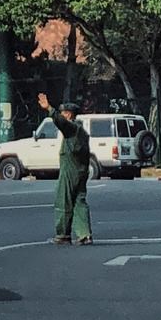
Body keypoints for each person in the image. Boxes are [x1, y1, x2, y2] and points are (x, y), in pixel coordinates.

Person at [37, 93, 93, 246]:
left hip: (70, 170)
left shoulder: (71, 128)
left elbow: (60, 122)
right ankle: (84, 234)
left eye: (63, 113)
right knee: (79, 201)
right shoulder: (82, 131)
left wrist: (49, 108)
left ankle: (63, 234)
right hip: (81, 170)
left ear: (68, 114)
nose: (61, 115)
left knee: (63, 200)